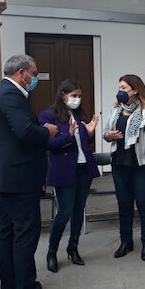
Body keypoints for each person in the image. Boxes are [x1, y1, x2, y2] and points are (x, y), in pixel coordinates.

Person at [0, 54, 58, 289]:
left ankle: (11, 284)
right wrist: (47, 132)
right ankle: (25, 285)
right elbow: (25, 132)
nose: (34, 78)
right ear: (22, 72)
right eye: (34, 74)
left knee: (8, 230)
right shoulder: (9, 94)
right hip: (18, 177)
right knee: (25, 232)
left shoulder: (3, 92)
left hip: (9, 175)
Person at [103, 74, 145, 261]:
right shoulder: (115, 109)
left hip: (144, 164)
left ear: (135, 90)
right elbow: (104, 133)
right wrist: (109, 135)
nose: (120, 92)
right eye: (119, 88)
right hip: (120, 164)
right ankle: (126, 242)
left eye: (123, 88)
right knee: (124, 203)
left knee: (143, 203)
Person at [38, 79, 100, 273]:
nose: (78, 99)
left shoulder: (80, 113)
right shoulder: (48, 115)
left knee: (79, 210)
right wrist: (68, 135)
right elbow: (47, 145)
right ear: (63, 96)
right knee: (64, 212)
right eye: (74, 96)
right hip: (64, 169)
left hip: (83, 169)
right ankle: (52, 251)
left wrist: (89, 133)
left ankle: (73, 248)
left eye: (80, 96)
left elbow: (82, 144)